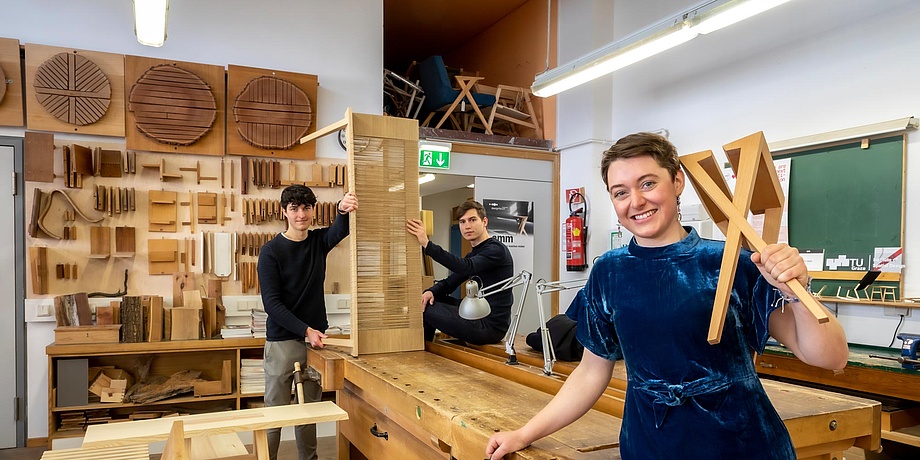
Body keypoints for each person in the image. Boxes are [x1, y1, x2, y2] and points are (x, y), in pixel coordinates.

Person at [485, 132, 848, 459]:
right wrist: (524, 433)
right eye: (621, 192)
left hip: (740, 442)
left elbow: (830, 357)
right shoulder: (609, 272)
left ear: (677, 182)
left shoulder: (734, 261)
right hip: (651, 443)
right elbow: (590, 373)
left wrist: (796, 290)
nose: (636, 201)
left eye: (647, 183)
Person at [258, 184, 358, 460]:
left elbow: (340, 229)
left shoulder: (318, 242)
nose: (301, 215)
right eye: (294, 209)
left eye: (306, 208)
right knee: (275, 412)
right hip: (282, 342)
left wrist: (342, 208)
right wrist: (305, 330)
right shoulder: (270, 252)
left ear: (313, 210)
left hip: (315, 343)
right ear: (284, 212)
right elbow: (272, 305)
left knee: (308, 410)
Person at [406, 200, 514, 345]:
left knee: (424, 309)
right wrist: (430, 291)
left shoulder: (496, 250)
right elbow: (450, 283)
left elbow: (465, 267)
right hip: (475, 315)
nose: (467, 226)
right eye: (462, 222)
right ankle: (425, 347)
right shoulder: (475, 254)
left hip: (488, 327)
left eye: (472, 220)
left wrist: (427, 244)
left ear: (485, 221)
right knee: (428, 299)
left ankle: (418, 349)